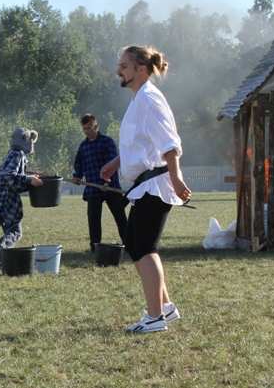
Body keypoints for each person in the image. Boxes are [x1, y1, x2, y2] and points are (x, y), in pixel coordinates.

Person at [100, 45, 191, 334]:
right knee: (138, 242)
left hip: (157, 183)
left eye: (124, 65)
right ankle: (164, 308)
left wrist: (176, 178)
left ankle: (154, 318)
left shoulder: (150, 99)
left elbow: (168, 142)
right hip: (147, 183)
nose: (119, 70)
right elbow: (141, 143)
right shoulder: (140, 99)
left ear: (141, 69)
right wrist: (116, 162)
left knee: (142, 246)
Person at [0, 128, 43, 267]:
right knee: (15, 232)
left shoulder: (13, 153)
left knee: (11, 230)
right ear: (25, 141)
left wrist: (29, 174)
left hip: (4, 198)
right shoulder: (17, 154)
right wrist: (29, 180)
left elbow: (11, 173)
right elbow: (8, 175)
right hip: (6, 200)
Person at [71, 114, 129, 252]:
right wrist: (77, 176)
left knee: (120, 216)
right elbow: (78, 163)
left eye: (90, 128)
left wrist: (106, 182)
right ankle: (95, 247)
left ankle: (129, 244)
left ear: (96, 126)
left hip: (110, 186)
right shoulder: (83, 146)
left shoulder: (107, 142)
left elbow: (113, 163)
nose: (87, 131)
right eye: (85, 129)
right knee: (93, 219)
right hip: (93, 189)